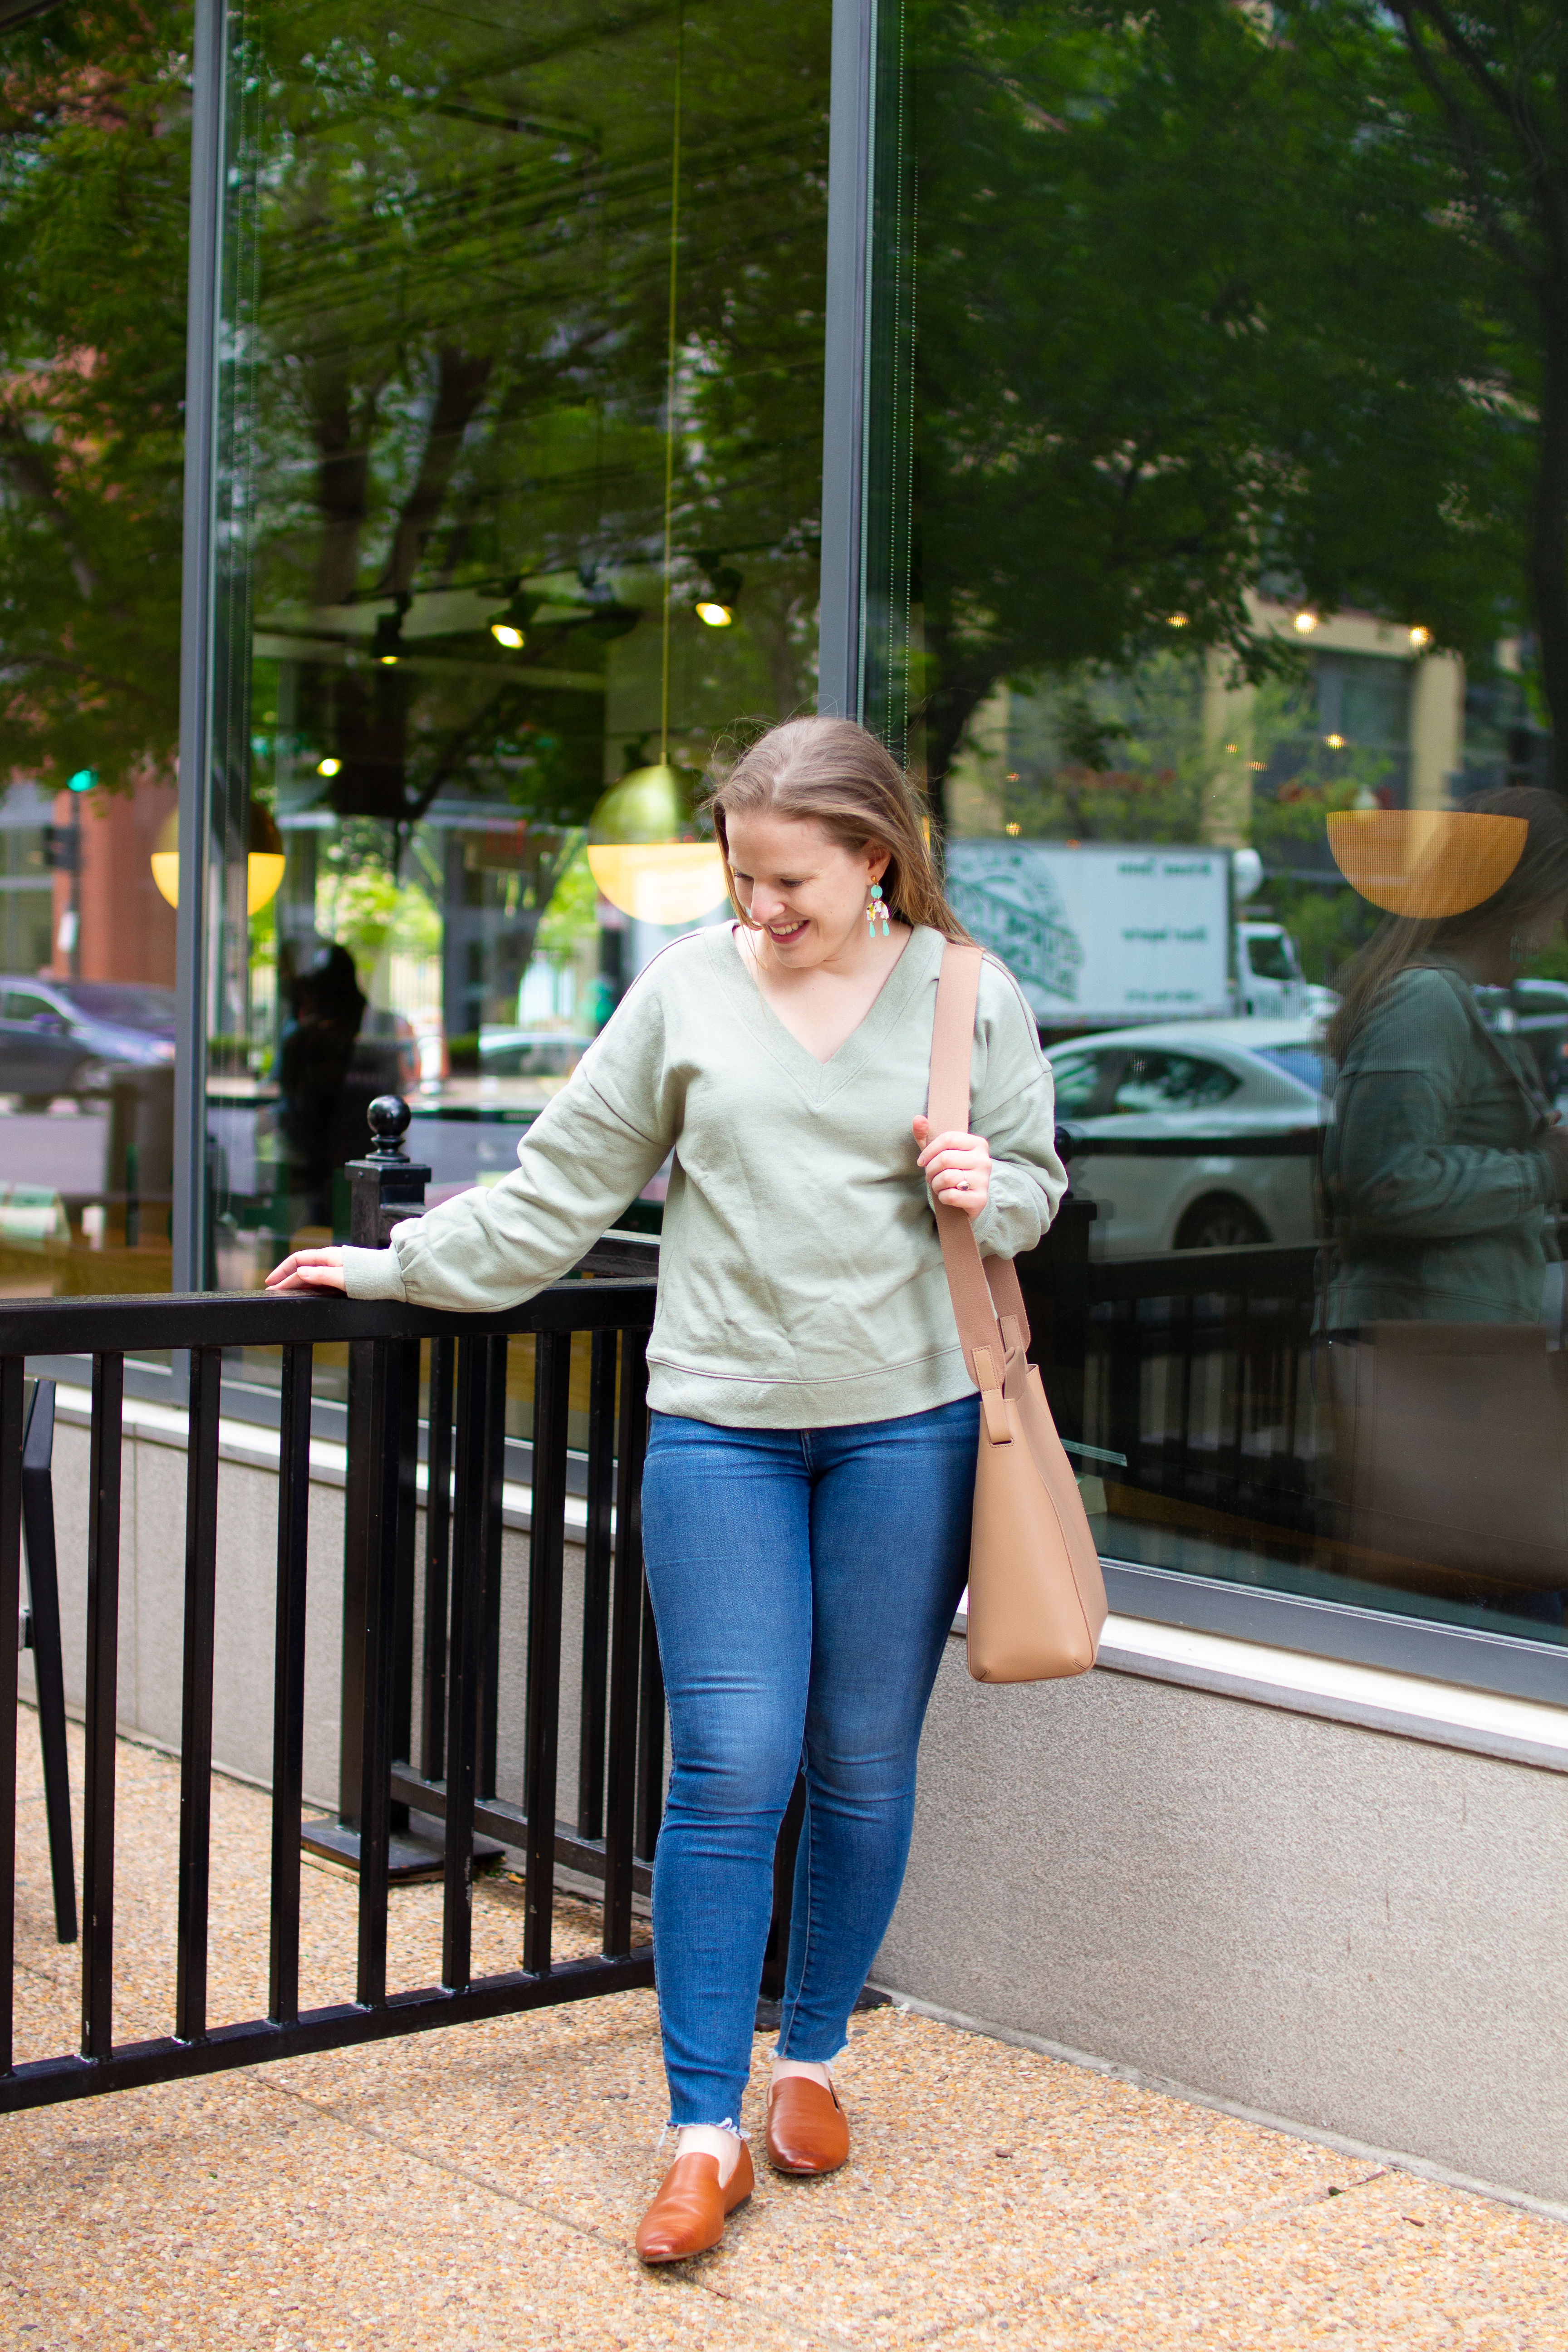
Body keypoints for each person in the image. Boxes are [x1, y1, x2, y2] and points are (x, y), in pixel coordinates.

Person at [265, 715, 1066, 2261]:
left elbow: (1033, 1183)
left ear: (874, 858)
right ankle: (700, 2126)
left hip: (906, 1426)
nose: (758, 911)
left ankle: (811, 2056)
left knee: (858, 1761)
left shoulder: (969, 996)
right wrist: (388, 1264)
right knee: (728, 1765)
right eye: (740, 877)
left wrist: (988, 1183)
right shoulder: (687, 990)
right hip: (722, 1430)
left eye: (789, 884)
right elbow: (558, 1188)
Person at [1319, 784, 1568, 1615]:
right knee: (1484, 1600)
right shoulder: (1428, 998)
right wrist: (1542, 1171)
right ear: (1529, 893)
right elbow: (1382, 1180)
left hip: (1457, 1341)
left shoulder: (1443, 994)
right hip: (1440, 1348)